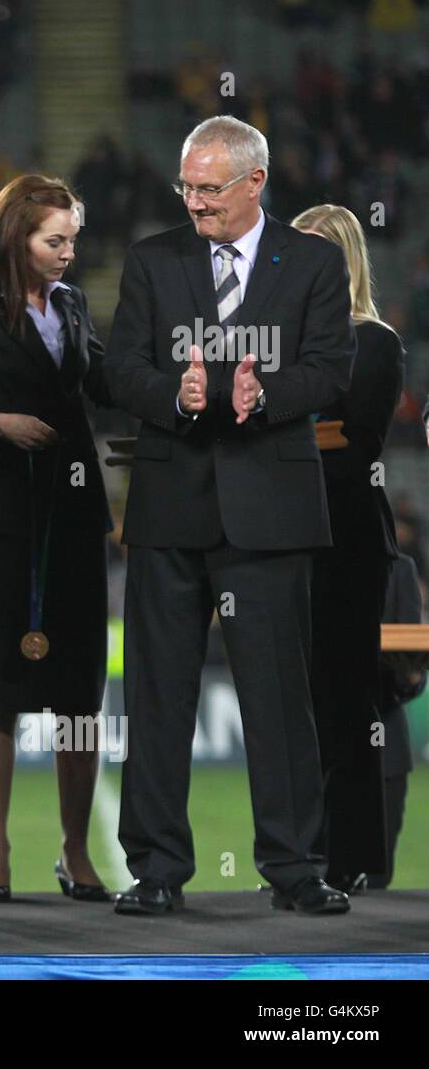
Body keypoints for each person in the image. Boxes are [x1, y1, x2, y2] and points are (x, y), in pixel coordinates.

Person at [104, 115, 354, 917]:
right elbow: (122, 369)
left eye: (210, 189)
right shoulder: (153, 258)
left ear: (256, 183)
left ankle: (295, 867)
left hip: (270, 513)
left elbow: (332, 367)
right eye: (187, 187)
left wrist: (266, 396)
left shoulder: (313, 262)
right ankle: (155, 870)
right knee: (157, 693)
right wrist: (174, 396)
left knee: (280, 699)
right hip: (170, 511)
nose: (195, 203)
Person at [0, 174, 113, 903]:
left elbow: (110, 383)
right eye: (56, 240)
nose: (68, 254)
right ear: (17, 238)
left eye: (73, 240)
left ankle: (77, 852)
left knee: (80, 695)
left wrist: (182, 388)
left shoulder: (74, 307)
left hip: (75, 521)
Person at [292, 203, 405, 892]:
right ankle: (299, 861)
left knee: (348, 701)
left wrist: (277, 441)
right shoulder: (275, 340)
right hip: (285, 539)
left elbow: (354, 441)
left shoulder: (375, 343)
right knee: (292, 709)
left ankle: (355, 860)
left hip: (348, 543)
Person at [371, 552, 425, 889]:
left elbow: (411, 661)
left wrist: (408, 677)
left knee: (376, 880)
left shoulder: (400, 569)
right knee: (315, 876)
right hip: (319, 752)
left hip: (384, 744)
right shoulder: (313, 563)